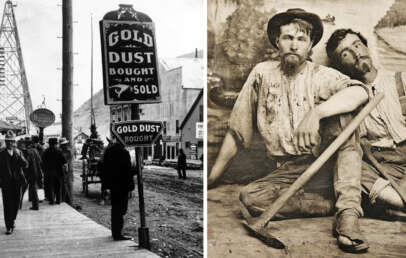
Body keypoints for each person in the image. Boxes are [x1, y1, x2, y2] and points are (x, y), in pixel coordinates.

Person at [208, 8, 371, 253]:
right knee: (249, 198)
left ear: (310, 46)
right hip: (287, 172)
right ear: (277, 42)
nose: (294, 45)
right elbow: (237, 130)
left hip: (326, 162)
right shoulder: (262, 73)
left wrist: (316, 113)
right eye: (288, 38)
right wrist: (211, 178)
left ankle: (348, 215)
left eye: (301, 39)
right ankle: (328, 203)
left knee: (345, 119)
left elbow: (360, 92)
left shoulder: (321, 75)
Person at [326, 29, 406, 216]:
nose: (355, 53)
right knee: (345, 170)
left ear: (366, 47)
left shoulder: (401, 79)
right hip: (382, 164)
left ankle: (393, 206)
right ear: (340, 64)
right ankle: (398, 202)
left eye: (357, 45)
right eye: (346, 53)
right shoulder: (345, 99)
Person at [100, 137, 135, 241]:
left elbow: (103, 168)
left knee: (115, 209)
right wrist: (131, 184)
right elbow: (127, 171)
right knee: (121, 210)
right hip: (122, 185)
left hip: (112, 185)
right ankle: (118, 234)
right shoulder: (124, 153)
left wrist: (106, 185)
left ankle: (115, 232)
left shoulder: (109, 151)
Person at [0, 131, 28, 234]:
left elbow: (26, 164)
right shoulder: (1, 154)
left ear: (14, 142)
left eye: (12, 142)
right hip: (6, 183)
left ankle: (13, 219)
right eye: (8, 142)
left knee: (16, 204)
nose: (10, 144)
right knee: (7, 205)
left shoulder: (18, 152)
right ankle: (9, 226)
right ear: (5, 142)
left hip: (17, 183)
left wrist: (19, 156)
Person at [42, 138, 66, 205]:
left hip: (49, 172)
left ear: (49, 144)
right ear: (56, 143)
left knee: (50, 186)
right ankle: (58, 201)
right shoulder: (59, 151)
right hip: (58, 172)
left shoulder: (46, 151)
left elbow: (42, 161)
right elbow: (64, 161)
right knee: (58, 186)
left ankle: (51, 200)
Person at [20, 137, 43, 210]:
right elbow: (40, 161)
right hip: (36, 172)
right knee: (33, 189)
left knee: (22, 189)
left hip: (29, 173)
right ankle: (35, 205)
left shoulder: (27, 152)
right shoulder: (35, 151)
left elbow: (26, 164)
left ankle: (18, 205)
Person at [59, 137, 73, 205]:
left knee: (65, 185)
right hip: (62, 169)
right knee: (62, 185)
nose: (64, 145)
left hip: (65, 169)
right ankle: (64, 199)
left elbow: (67, 161)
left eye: (64, 144)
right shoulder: (60, 151)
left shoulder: (68, 151)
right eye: (63, 144)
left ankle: (67, 200)